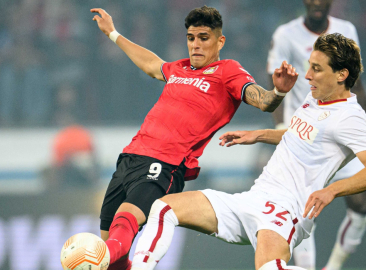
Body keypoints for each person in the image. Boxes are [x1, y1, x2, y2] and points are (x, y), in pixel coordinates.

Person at [130, 33, 366, 270]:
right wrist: (259, 135)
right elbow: (305, 137)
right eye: (310, 65)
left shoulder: (350, 117)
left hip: (286, 212)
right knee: (164, 208)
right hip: (255, 197)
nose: (308, 75)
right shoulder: (317, 97)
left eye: (317, 69)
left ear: (342, 74)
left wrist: (331, 190)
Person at [88, 6, 298, 270]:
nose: (195, 45)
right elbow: (152, 65)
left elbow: (264, 101)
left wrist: (277, 92)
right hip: (130, 157)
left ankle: (92, 259)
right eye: (191, 38)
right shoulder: (179, 68)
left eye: (203, 37)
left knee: (122, 225)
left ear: (220, 41)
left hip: (165, 164)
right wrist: (113, 34)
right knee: (112, 261)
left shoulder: (227, 71)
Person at [267, 1, 366, 269]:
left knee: (361, 205)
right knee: (304, 210)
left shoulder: (347, 29)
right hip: (304, 134)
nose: (317, 2)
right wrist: (281, 129)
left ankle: (333, 266)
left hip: (339, 129)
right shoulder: (285, 34)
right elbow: (277, 85)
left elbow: (357, 84)